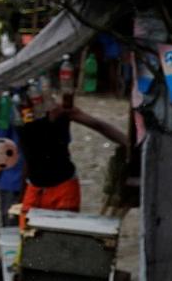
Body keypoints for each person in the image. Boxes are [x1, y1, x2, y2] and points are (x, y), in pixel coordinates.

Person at [14, 92, 128, 223]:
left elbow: (99, 125)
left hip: (63, 187)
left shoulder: (59, 111)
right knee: (28, 238)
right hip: (35, 188)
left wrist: (129, 144)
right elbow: (29, 155)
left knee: (61, 238)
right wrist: (23, 193)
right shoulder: (19, 116)